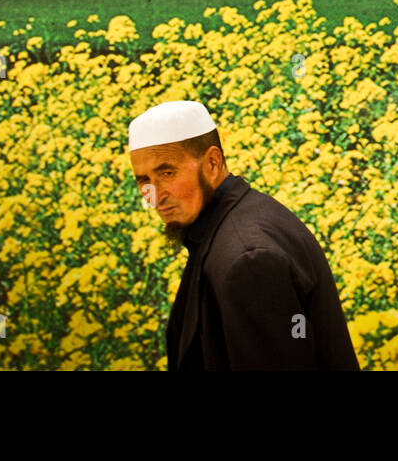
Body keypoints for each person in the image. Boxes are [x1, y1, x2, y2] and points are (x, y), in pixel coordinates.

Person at [127, 99, 361, 371]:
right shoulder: (233, 227)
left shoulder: (247, 258)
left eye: (167, 173)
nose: (155, 196)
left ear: (213, 163)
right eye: (144, 181)